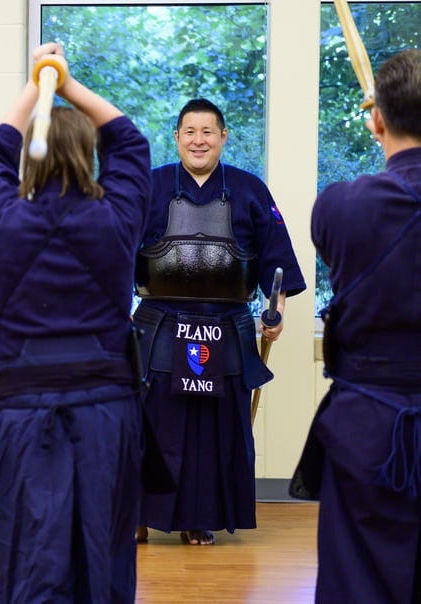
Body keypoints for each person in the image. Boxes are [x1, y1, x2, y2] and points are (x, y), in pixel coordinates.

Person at [0, 42, 151, 603]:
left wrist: (37, 84)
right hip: (106, 416)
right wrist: (65, 83)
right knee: (104, 553)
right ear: (91, 158)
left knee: (28, 560)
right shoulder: (118, 216)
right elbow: (132, 140)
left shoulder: (2, 217)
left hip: (24, 418)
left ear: (32, 157)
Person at [133, 98, 306, 545]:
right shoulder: (148, 187)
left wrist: (277, 313)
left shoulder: (251, 190)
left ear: (224, 137)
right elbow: (115, 254)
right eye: (190, 131)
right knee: (149, 424)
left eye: (208, 131)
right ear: (176, 137)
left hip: (226, 327)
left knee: (214, 431)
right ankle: (135, 513)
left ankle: (198, 517)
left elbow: (277, 266)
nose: (199, 140)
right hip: (158, 326)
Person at [289, 49, 421, 603]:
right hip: (371, 416)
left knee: (358, 583)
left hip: (368, 423)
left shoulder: (341, 206)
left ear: (375, 119)